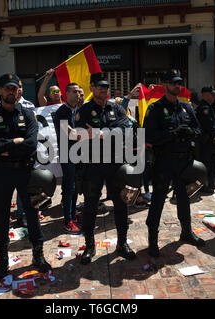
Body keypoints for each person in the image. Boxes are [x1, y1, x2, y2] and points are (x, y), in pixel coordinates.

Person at [0, 73, 51, 279]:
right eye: (7, 88)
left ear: (19, 90)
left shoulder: (28, 115)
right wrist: (15, 143)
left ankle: (38, 255)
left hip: (25, 171)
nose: (11, 92)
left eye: (14, 88)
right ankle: (2, 260)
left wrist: (5, 145)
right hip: (3, 172)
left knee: (32, 213)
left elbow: (31, 144)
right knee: (1, 215)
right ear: (1, 91)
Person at [75, 72, 136, 265]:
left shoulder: (117, 108)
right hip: (93, 164)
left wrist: (100, 133)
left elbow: (126, 131)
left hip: (115, 163)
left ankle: (122, 243)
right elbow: (80, 135)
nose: (104, 90)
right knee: (91, 206)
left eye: (106, 87)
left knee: (120, 204)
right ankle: (90, 246)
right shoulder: (84, 110)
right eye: (100, 86)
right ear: (91, 88)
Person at [144, 69, 205, 257]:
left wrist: (190, 133)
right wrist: (172, 134)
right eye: (173, 83)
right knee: (158, 202)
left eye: (179, 83)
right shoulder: (155, 109)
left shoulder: (186, 107)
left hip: (184, 162)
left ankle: (186, 233)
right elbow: (147, 135)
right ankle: (152, 241)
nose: (177, 86)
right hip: (163, 162)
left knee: (184, 199)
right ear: (165, 85)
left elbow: (199, 130)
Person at [53, 83, 82, 234]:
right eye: (74, 92)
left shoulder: (77, 110)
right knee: (69, 187)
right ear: (66, 93)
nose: (77, 94)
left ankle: (72, 214)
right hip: (67, 154)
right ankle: (67, 221)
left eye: (79, 92)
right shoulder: (61, 112)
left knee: (76, 186)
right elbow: (71, 134)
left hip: (78, 154)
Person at [196, 85, 215, 194]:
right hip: (205, 140)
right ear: (205, 95)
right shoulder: (204, 107)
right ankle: (203, 185)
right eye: (212, 94)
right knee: (205, 163)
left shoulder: (208, 106)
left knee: (212, 162)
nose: (213, 96)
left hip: (209, 140)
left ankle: (211, 182)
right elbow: (208, 123)